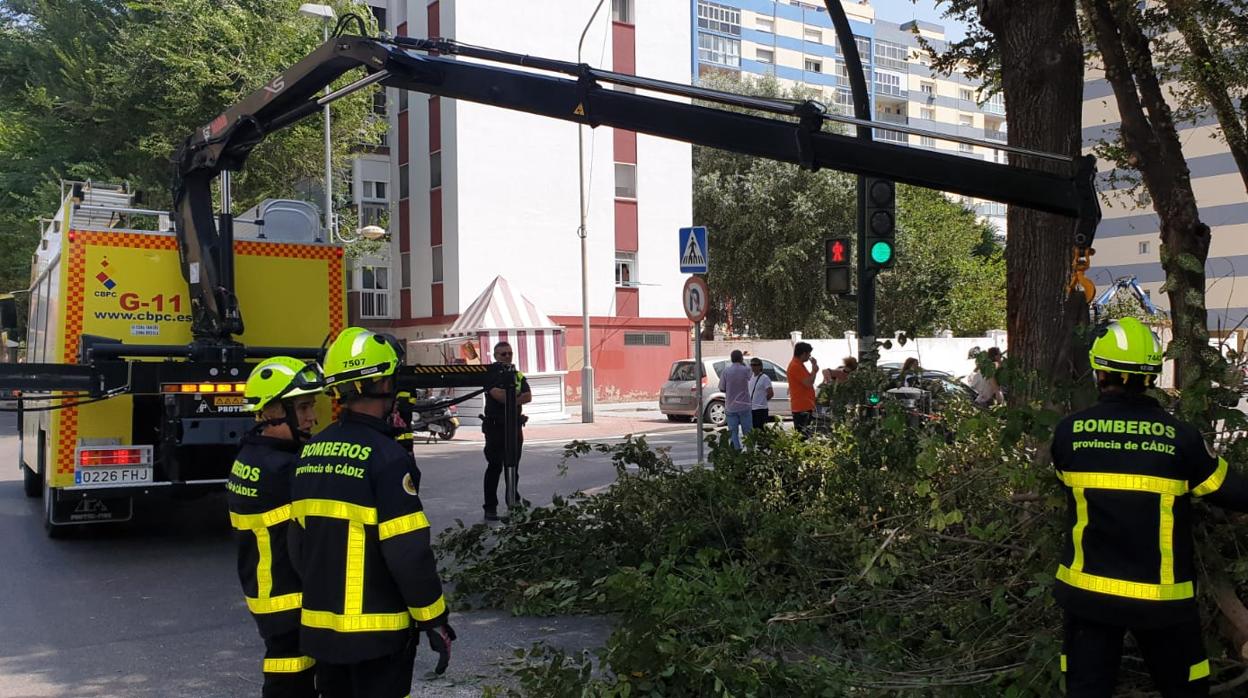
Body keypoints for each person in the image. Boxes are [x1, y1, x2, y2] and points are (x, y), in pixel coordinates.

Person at [1050, 318, 1248, 697]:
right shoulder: (1181, 438)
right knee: (1184, 689)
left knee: (1086, 690)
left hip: (1089, 599)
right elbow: (1234, 492)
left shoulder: (1069, 432)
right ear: (1153, 374)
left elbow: (1065, 480)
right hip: (1162, 604)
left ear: (1099, 371)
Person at [291, 327, 455, 697]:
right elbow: (408, 554)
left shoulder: (311, 453)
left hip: (323, 633)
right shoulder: (388, 459)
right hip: (378, 639)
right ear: (381, 381)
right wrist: (434, 619)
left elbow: (298, 548)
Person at [228, 357, 324, 698]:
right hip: (287, 595)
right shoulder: (284, 468)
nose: (312, 416)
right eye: (302, 407)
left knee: (286, 671)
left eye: (311, 405)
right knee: (291, 680)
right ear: (271, 412)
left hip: (266, 590)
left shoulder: (250, 455)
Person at [483, 341, 532, 521]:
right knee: (494, 468)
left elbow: (528, 396)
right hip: (495, 428)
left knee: (513, 468)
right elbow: (499, 396)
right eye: (503, 354)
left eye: (509, 353)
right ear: (495, 356)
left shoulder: (517, 374)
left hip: (514, 427)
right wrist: (514, 397)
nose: (507, 356)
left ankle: (513, 502)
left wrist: (512, 397)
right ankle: (490, 508)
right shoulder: (491, 374)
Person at [717, 350, 752, 449]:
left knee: (733, 433)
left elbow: (722, 388)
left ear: (731, 359)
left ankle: (736, 452)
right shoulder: (746, 370)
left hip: (731, 406)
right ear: (741, 358)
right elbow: (751, 379)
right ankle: (750, 453)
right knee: (748, 433)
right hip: (745, 405)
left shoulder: (726, 371)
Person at [787, 342, 818, 436]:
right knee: (803, 437)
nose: (809, 357)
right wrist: (814, 371)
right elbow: (808, 383)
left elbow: (809, 380)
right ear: (803, 353)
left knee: (806, 435)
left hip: (805, 405)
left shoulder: (799, 365)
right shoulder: (795, 366)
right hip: (801, 407)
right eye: (809, 354)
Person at [748, 357, 773, 430]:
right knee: (753, 431)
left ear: (760, 366)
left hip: (761, 410)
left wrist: (762, 401)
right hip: (752, 409)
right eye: (752, 365)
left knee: (762, 431)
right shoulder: (750, 377)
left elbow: (770, 393)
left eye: (756, 365)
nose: (753, 367)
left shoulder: (765, 378)